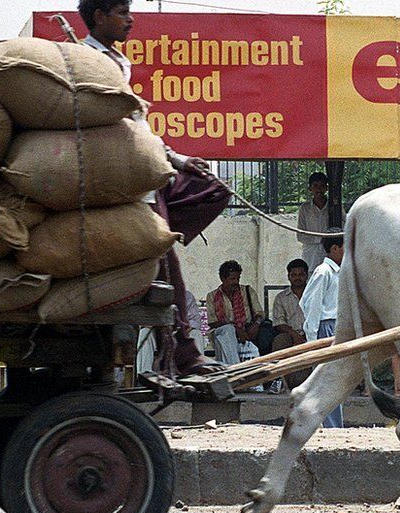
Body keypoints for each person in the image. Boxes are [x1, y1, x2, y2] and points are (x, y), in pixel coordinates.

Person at [79, 0, 230, 376]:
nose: (130, 19)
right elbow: (117, 128)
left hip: (146, 175)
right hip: (125, 185)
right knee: (171, 273)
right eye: (122, 12)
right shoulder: (88, 61)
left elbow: (137, 129)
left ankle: (163, 235)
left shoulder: (115, 60)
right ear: (99, 17)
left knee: (214, 189)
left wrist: (178, 160)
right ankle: (181, 354)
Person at [300, 229, 344, 428]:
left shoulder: (339, 271)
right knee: (328, 380)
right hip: (324, 327)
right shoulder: (323, 272)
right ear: (334, 248)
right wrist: (313, 337)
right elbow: (311, 304)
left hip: (335, 326)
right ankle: (330, 425)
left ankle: (332, 424)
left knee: (335, 380)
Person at [206, 261, 264, 367]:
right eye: (232, 279)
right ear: (223, 279)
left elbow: (259, 313)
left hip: (247, 332)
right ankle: (235, 368)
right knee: (228, 331)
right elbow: (213, 322)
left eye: (238, 278)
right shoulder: (212, 296)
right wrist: (235, 329)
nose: (236, 282)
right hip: (222, 333)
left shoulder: (247, 291)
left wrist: (256, 324)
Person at [297, 172, 346, 273]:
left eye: (322, 186)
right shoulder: (305, 209)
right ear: (310, 188)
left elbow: (345, 227)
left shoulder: (335, 207)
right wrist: (322, 240)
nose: (319, 189)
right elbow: (300, 235)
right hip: (311, 255)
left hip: (330, 254)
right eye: (315, 186)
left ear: (326, 189)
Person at [272, 259, 309, 389]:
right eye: (294, 275)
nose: (297, 278)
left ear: (306, 275)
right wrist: (295, 335)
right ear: (289, 276)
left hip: (311, 332)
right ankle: (279, 381)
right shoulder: (281, 297)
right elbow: (278, 322)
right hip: (290, 333)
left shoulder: (313, 293)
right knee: (279, 341)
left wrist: (306, 333)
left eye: (301, 274)